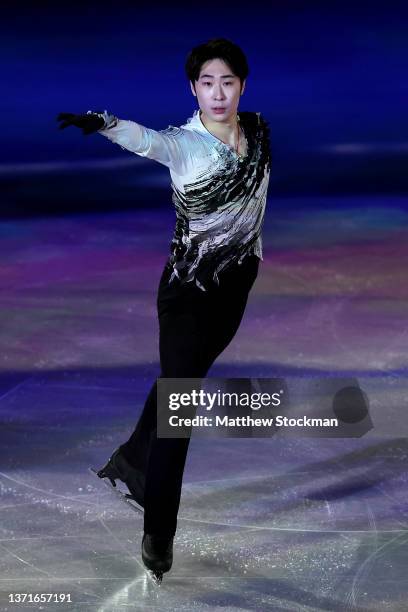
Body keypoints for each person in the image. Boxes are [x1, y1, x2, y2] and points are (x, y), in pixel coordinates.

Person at [57, 37, 271, 580]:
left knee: (182, 385)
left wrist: (251, 256)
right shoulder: (184, 144)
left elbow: (253, 206)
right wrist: (105, 123)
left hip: (234, 291)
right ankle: (159, 532)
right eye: (206, 83)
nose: (217, 93)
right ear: (193, 89)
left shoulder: (261, 133)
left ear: (242, 85)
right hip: (185, 293)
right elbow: (145, 141)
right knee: (180, 408)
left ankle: (132, 458)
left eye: (227, 81)